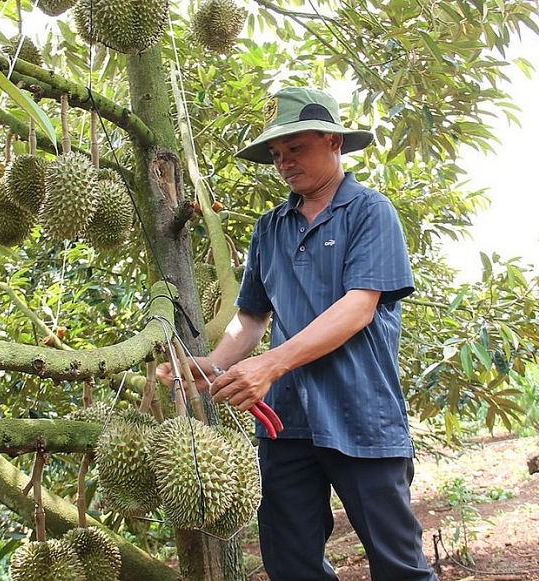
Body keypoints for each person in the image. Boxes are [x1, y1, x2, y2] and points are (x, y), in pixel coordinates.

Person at [158, 86, 438, 581]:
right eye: (277, 154)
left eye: (297, 148)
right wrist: (213, 364)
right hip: (285, 422)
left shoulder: (370, 212)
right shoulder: (270, 228)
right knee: (290, 563)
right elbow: (251, 318)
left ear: (334, 142)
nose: (284, 162)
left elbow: (358, 309)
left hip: (361, 416)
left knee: (398, 566)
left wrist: (268, 365)